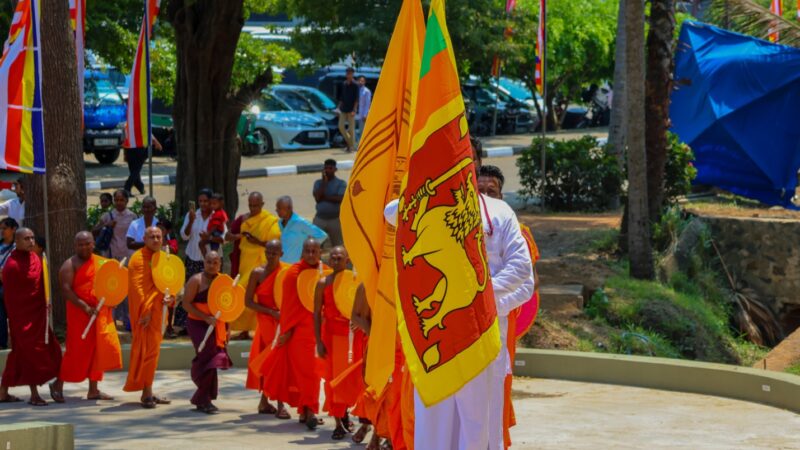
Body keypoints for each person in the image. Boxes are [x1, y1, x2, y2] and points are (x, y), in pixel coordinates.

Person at [381, 138, 534, 450]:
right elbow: (390, 212)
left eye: (466, 158)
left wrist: (480, 303)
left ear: (475, 164)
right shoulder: (424, 208)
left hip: (482, 335)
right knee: (434, 425)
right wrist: (427, 177)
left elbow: (522, 273)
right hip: (437, 335)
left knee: (479, 428)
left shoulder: (499, 210)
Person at [478, 164, 541, 449]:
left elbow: (530, 281)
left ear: (501, 196)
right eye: (479, 191)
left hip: (501, 316)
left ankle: (497, 441)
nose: (485, 196)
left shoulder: (514, 228)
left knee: (497, 386)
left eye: (491, 191)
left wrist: (491, 300)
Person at [48, 232, 122, 403]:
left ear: (93, 243)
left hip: (99, 312)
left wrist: (111, 301)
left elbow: (109, 285)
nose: (84, 247)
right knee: (76, 351)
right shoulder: (69, 265)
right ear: (75, 246)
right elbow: (66, 290)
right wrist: (85, 307)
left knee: (98, 350)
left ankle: (93, 390)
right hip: (79, 313)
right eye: (80, 244)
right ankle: (58, 385)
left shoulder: (102, 262)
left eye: (87, 243)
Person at [260, 238, 325, 429]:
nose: (311, 255)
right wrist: (287, 330)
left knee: (314, 374)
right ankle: (311, 410)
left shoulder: (325, 272)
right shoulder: (293, 274)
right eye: (308, 251)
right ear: (302, 253)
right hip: (299, 332)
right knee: (308, 375)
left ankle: (305, 411)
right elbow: (288, 307)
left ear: (320, 252)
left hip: (320, 331)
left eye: (315, 251)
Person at [0, 228, 62, 406]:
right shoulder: (11, 266)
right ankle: (34, 394)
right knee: (29, 354)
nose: (31, 241)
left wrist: (46, 303)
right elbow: (11, 298)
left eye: (32, 238)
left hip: (39, 315)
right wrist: (16, 322)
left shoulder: (36, 258)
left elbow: (42, 286)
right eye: (26, 239)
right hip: (22, 318)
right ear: (17, 242)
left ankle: (3, 392)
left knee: (50, 351)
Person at [123, 226, 176, 408]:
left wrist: (171, 298)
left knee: (153, 352)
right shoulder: (137, 258)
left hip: (159, 311)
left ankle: (149, 390)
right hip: (145, 314)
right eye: (151, 237)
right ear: (144, 239)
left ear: (163, 239)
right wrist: (144, 312)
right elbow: (137, 288)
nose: (155, 240)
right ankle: (146, 394)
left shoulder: (164, 258)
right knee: (146, 352)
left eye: (158, 236)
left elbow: (170, 283)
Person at [181, 251, 233, 414]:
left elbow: (228, 305)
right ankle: (202, 399)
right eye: (209, 262)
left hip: (217, 325)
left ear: (220, 264)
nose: (211, 265)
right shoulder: (196, 280)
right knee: (206, 357)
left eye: (215, 262)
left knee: (214, 360)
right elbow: (186, 304)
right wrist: (205, 317)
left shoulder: (223, 281)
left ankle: (204, 399)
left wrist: (228, 327)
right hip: (197, 324)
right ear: (204, 262)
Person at [313, 246, 355, 440]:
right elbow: (316, 314)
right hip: (329, 337)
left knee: (348, 380)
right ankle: (337, 422)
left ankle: (345, 413)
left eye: (340, 258)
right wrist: (318, 342)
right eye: (333, 258)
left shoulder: (354, 281)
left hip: (349, 338)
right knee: (332, 381)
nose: (336, 261)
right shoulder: (323, 283)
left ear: (347, 261)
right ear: (329, 261)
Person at [225, 192, 281, 337]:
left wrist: (257, 242)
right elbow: (228, 236)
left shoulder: (269, 221)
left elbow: (274, 244)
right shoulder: (243, 219)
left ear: (262, 204)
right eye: (250, 205)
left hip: (262, 261)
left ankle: (258, 330)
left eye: (256, 205)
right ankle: (243, 329)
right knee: (242, 293)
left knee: (258, 296)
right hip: (245, 261)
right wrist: (237, 236)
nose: (253, 208)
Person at [244, 239, 287, 416]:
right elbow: (248, 302)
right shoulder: (257, 273)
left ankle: (266, 402)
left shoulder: (286, 272)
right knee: (271, 361)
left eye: (274, 253)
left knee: (277, 362)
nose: (270, 256)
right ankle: (279, 404)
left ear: (281, 254)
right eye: (268, 252)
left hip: (281, 322)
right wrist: (270, 312)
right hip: (265, 322)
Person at [94, 189, 137, 330]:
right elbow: (94, 231)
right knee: (111, 287)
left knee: (126, 288)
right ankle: (111, 320)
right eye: (116, 200)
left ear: (126, 201)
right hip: (111, 257)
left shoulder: (132, 216)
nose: (119, 202)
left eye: (122, 200)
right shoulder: (108, 215)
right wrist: (106, 225)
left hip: (128, 257)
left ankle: (127, 320)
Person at [276, 195, 327, 263]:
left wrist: (307, 251)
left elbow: (322, 235)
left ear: (289, 208)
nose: (276, 210)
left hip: (296, 265)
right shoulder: (280, 222)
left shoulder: (301, 222)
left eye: (279, 208)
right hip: (282, 265)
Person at [313, 159, 347, 248]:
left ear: (335, 169)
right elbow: (317, 198)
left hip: (335, 219)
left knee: (339, 245)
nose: (328, 170)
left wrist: (324, 197)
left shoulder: (341, 183)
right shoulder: (318, 183)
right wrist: (324, 183)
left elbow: (340, 198)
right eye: (326, 168)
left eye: (330, 168)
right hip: (320, 218)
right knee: (315, 244)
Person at [0, 218, 19, 350]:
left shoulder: (17, 248)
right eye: (0, 229)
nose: (2, 231)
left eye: (4, 228)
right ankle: (2, 343)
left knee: (14, 315)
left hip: (12, 285)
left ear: (13, 229)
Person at [337, 67, 360, 153]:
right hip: (343, 109)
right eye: (347, 73)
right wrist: (338, 108)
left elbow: (357, 99)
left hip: (351, 110)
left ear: (353, 74)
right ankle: (351, 144)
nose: (348, 75)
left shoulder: (355, 84)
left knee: (351, 129)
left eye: (350, 73)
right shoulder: (344, 84)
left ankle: (350, 146)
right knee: (341, 126)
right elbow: (341, 97)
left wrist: (354, 110)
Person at [356, 76, 372, 148]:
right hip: (357, 114)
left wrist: (365, 114)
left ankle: (363, 146)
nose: (360, 82)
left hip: (363, 114)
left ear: (364, 82)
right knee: (359, 131)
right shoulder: (357, 90)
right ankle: (359, 146)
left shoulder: (367, 91)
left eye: (362, 81)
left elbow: (367, 104)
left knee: (363, 131)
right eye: (359, 80)